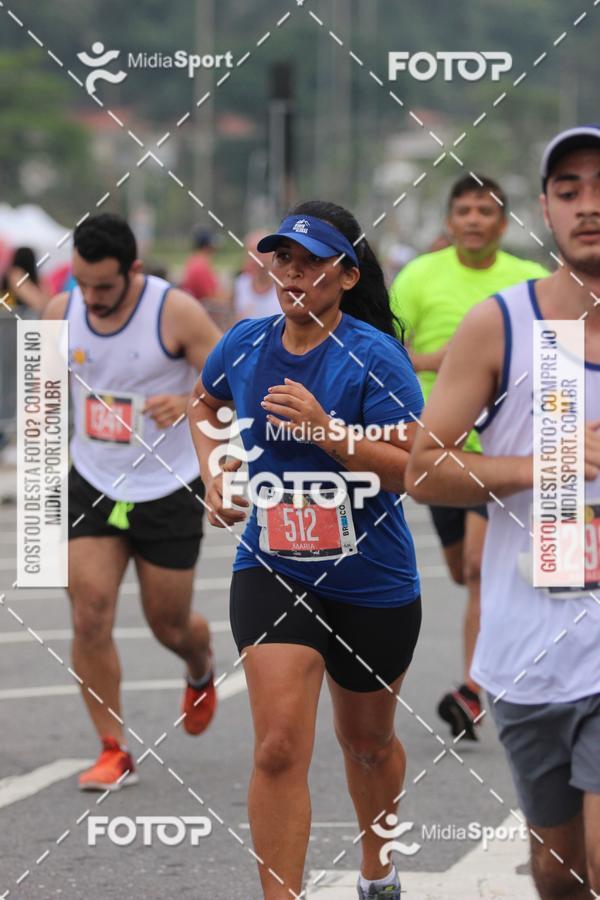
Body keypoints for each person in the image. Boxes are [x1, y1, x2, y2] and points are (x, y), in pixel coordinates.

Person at [189, 200, 423, 900]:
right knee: (279, 745)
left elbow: (414, 463)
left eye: (312, 261)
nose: (292, 273)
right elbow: (205, 407)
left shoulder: (374, 357)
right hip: (274, 564)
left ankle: (378, 871)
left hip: (371, 577)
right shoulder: (244, 344)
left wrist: (328, 432)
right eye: (282, 258)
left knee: (367, 743)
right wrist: (216, 473)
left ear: (347, 276)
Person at [406, 126, 600, 900]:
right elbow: (424, 468)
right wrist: (545, 465)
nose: (590, 207)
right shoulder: (503, 324)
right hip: (534, 646)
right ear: (547, 212)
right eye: (569, 191)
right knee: (557, 877)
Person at [43, 213, 222, 791]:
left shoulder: (174, 311)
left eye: (103, 286)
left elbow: (234, 379)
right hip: (94, 480)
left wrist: (186, 399)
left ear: (134, 270)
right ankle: (112, 747)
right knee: (88, 613)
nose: (91, 299)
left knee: (168, 624)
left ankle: (199, 667)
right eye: (81, 283)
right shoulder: (58, 313)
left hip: (167, 485)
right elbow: (40, 407)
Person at [390, 174, 549, 740]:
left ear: (504, 223)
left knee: (481, 568)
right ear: (450, 221)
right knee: (463, 571)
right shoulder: (417, 277)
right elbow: (392, 351)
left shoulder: (531, 281)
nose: (475, 219)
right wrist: (444, 359)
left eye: (486, 210)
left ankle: (474, 689)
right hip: (437, 452)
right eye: (465, 210)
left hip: (507, 452)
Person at [232, 229, 281, 320]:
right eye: (250, 254)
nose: (253, 259)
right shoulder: (241, 283)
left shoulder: (284, 287)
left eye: (259, 254)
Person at [180, 226, 227, 305]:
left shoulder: (193, 260)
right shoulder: (201, 266)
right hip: (206, 310)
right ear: (207, 246)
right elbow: (212, 296)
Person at [2, 246, 49, 314]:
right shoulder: (15, 275)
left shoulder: (31, 279)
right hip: (12, 320)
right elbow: (39, 304)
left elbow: (45, 303)